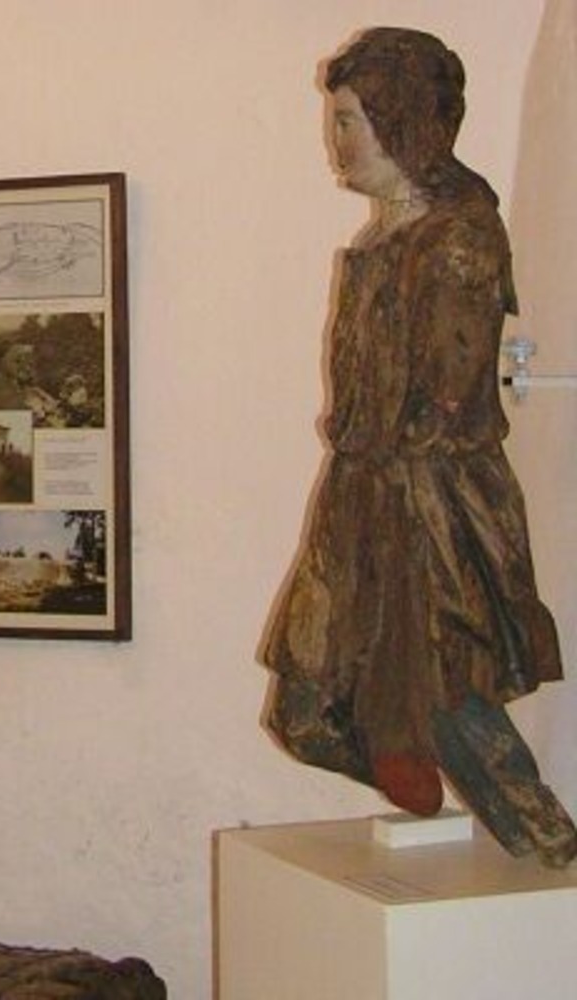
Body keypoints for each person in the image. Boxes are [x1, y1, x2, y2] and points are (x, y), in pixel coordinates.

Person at [260, 27, 576, 867]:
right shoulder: (385, 236)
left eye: (349, 121)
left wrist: (396, 486)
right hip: (363, 489)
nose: (337, 141)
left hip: (433, 504)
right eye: (335, 120)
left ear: (399, 120)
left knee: (452, 699)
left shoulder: (460, 237)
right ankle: (396, 743)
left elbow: (446, 396)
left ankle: (553, 852)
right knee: (303, 709)